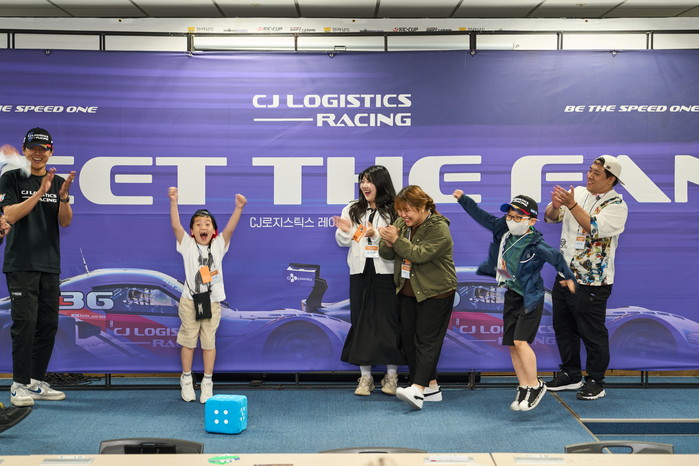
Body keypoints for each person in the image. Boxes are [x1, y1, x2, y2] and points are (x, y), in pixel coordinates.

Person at [452, 190, 577, 411]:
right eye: (510, 216)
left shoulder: (536, 245)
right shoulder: (503, 231)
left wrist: (568, 277)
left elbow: (557, 258)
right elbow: (480, 215)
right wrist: (463, 199)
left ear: (532, 221)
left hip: (530, 297)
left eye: (518, 217)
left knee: (520, 341)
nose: (512, 221)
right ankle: (524, 386)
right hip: (511, 295)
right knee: (511, 344)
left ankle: (536, 385)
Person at [0, 128, 76, 407]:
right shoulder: (11, 178)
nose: (37, 153)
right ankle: (18, 384)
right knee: (25, 324)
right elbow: (10, 215)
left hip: (49, 264)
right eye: (32, 148)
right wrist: (39, 193)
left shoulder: (57, 182)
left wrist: (62, 197)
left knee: (48, 325)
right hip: (21, 263)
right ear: (24, 150)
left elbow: (65, 222)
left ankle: (35, 382)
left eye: (43, 149)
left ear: (50, 152)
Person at [543, 156, 628, 400]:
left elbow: (593, 227)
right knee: (563, 328)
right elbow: (550, 217)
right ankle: (571, 374)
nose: (589, 176)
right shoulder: (578, 193)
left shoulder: (617, 206)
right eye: (590, 170)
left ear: (611, 180)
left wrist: (571, 205)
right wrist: (556, 206)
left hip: (592, 281)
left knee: (592, 332)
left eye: (597, 173)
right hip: (564, 275)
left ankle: (596, 381)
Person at [378, 185, 457, 410]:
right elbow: (386, 253)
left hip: (436, 292)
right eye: (400, 210)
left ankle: (417, 389)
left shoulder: (439, 227)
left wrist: (396, 240)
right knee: (409, 340)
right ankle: (431, 387)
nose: (403, 215)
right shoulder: (401, 224)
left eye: (407, 210)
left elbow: (419, 255)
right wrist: (388, 241)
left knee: (426, 341)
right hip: (407, 291)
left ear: (422, 207)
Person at [169, 187, 247, 403]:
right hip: (190, 301)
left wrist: (239, 208)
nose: (202, 227)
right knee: (188, 341)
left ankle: (207, 382)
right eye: (198, 224)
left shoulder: (219, 245)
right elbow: (175, 226)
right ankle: (186, 380)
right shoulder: (187, 245)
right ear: (192, 231)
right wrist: (173, 202)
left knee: (208, 343)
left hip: (212, 302)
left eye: (207, 224)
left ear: (213, 230)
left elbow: (230, 229)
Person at [332, 166, 404, 396]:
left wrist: (375, 234)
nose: (364, 185)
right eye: (362, 180)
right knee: (361, 321)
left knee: (389, 322)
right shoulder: (352, 209)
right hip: (360, 271)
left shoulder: (395, 209)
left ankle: (391, 376)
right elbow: (347, 241)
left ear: (381, 184)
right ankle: (365, 377)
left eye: (369, 181)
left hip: (386, 272)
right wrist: (348, 230)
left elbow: (399, 239)